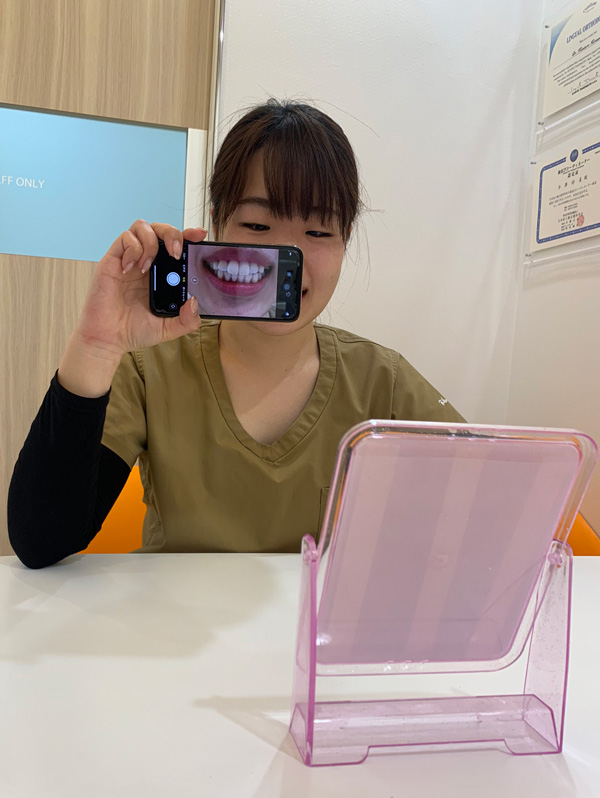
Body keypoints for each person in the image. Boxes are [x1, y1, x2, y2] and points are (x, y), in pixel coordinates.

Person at [8, 99, 464, 569]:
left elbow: (484, 505)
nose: (285, 256)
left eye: (318, 231)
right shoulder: (150, 368)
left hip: (315, 618)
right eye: (257, 225)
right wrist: (96, 345)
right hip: (172, 613)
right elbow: (42, 541)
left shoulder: (382, 381)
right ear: (217, 224)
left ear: (346, 239)